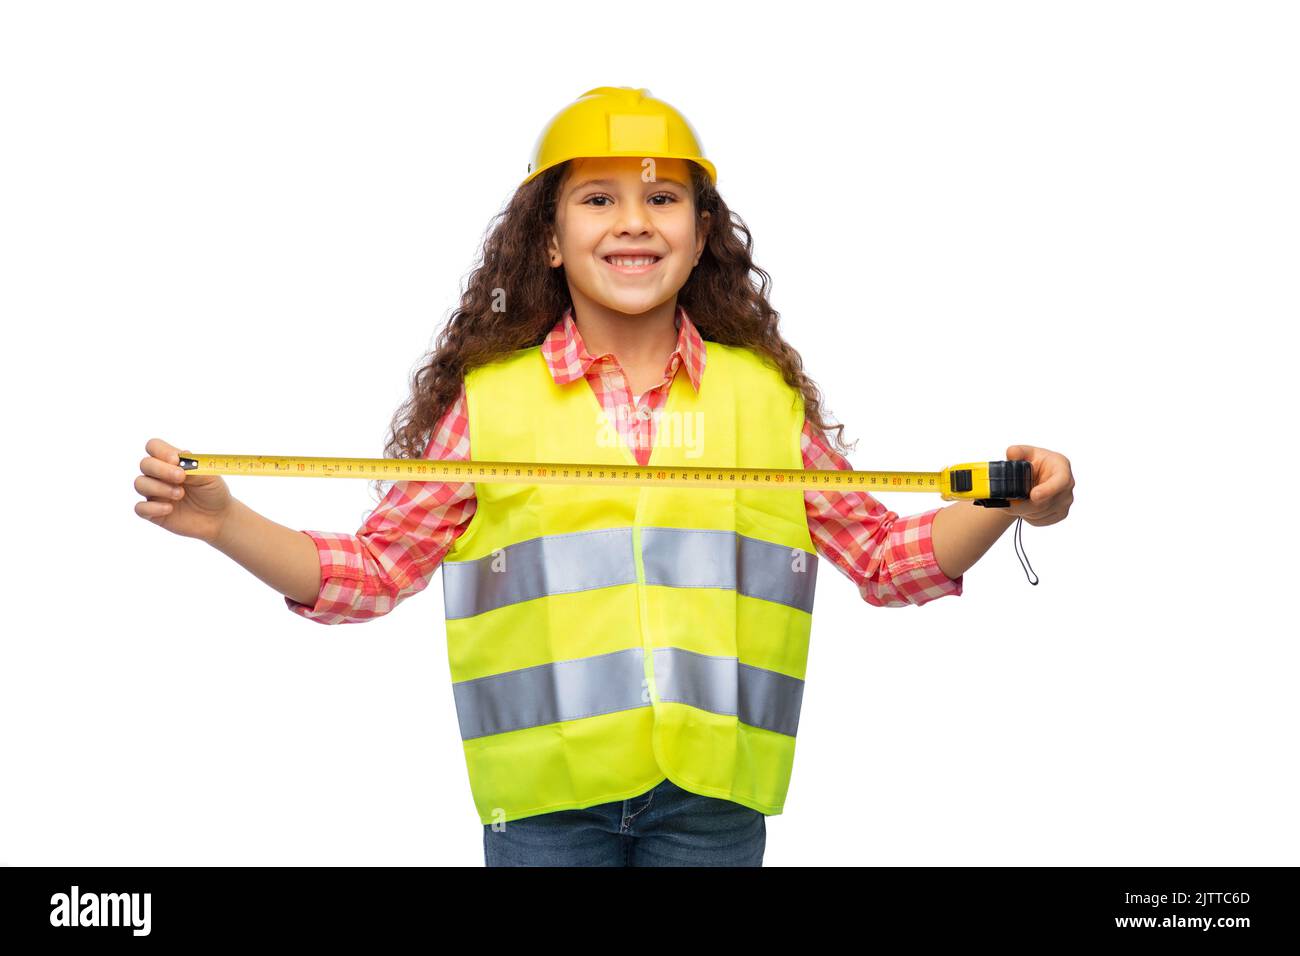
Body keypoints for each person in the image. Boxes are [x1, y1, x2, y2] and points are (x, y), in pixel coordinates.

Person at [135, 87, 1072, 866]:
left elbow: (882, 557)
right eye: (598, 199)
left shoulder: (764, 401)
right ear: (546, 239)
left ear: (704, 235)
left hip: (713, 803)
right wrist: (225, 524)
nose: (633, 221)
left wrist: (1006, 499)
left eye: (662, 200)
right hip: (543, 810)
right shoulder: (489, 405)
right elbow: (370, 575)